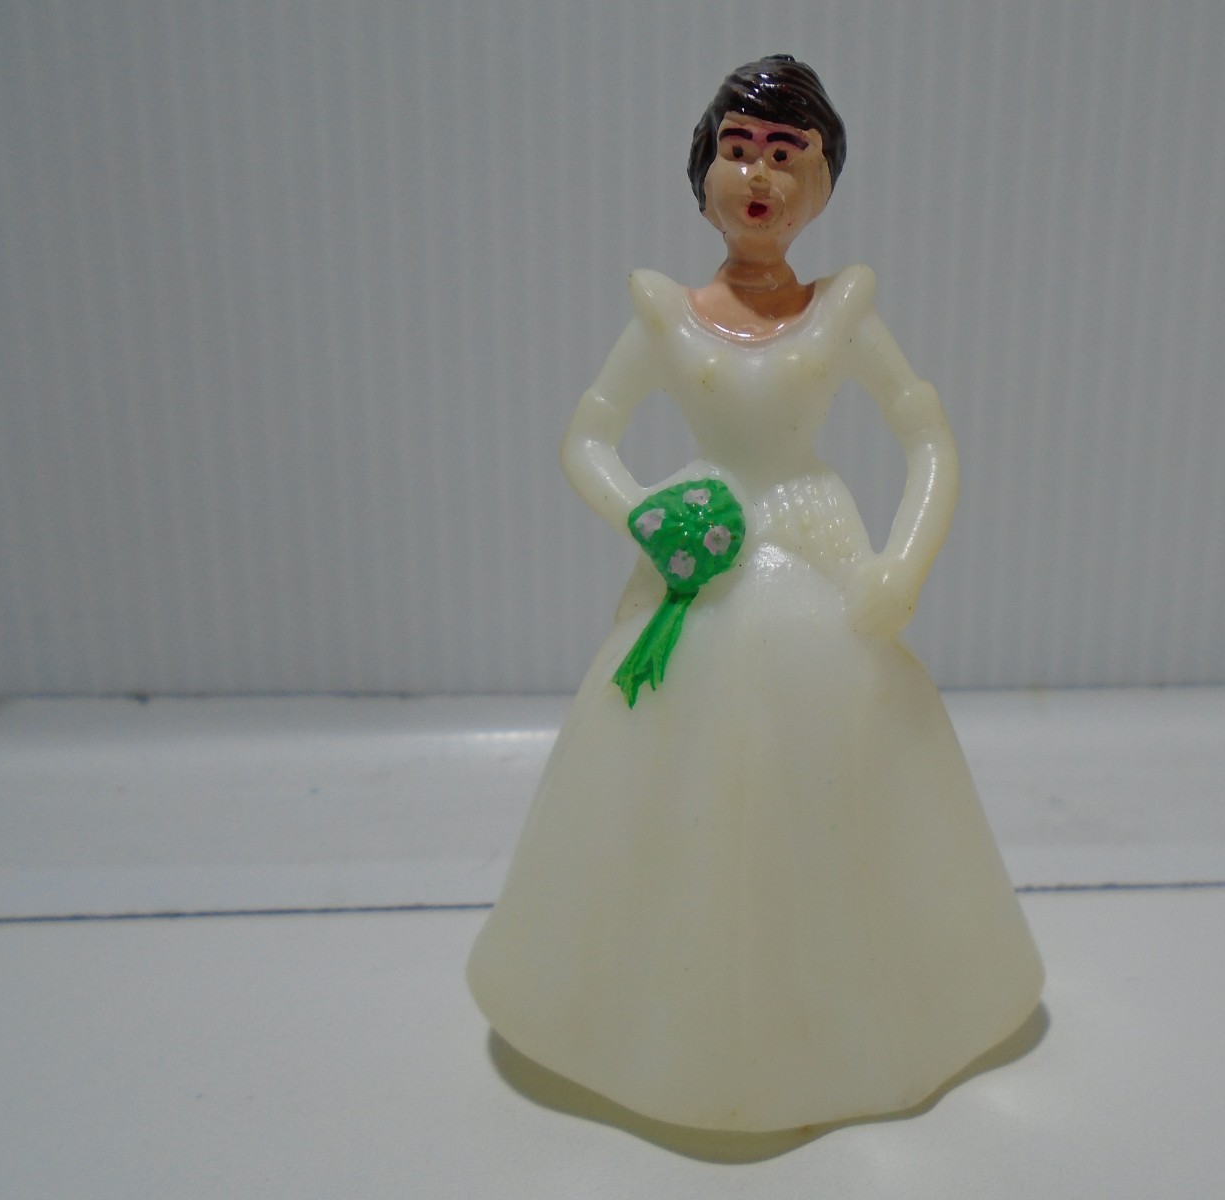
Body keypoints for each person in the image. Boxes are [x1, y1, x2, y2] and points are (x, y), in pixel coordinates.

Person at [468, 55, 1043, 1133]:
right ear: (702, 173)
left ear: (824, 182)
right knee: (662, 777)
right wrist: (644, 514)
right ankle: (644, 1023)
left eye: (787, 154)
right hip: (698, 559)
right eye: (738, 151)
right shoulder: (666, 317)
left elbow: (924, 432)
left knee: (837, 771)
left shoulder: (842, 314)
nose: (760, 176)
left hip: (817, 550)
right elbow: (589, 434)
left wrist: (902, 563)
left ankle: (846, 1023)